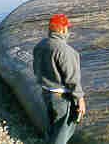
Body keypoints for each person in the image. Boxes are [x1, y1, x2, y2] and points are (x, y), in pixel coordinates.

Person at [33, 14, 86, 144]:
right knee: (63, 132)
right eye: (67, 28)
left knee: (52, 128)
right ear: (63, 30)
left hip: (46, 93)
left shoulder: (40, 45)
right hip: (62, 98)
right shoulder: (66, 51)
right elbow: (72, 79)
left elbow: (36, 70)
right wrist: (80, 99)